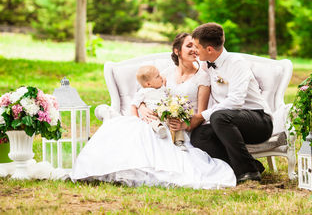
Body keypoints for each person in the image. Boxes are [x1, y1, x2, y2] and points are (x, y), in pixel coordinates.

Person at [69, 32, 236, 189]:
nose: (194, 49)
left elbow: (201, 114)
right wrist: (142, 109)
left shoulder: (203, 77)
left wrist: (183, 124)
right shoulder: (165, 74)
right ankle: (115, 168)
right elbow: (147, 93)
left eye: (195, 46)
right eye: (189, 46)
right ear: (177, 51)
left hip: (180, 127)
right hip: (156, 121)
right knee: (129, 128)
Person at [170, 23, 273, 184]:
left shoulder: (236, 63)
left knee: (218, 116)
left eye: (197, 47)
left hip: (258, 121)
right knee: (199, 136)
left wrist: (201, 116)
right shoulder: (206, 64)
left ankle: (248, 173)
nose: (195, 51)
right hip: (227, 122)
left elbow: (236, 101)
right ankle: (251, 166)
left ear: (209, 49)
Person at [131, 65, 187, 151]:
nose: (161, 77)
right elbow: (134, 105)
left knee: (175, 123)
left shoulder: (162, 88)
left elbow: (168, 94)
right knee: (152, 121)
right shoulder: (143, 92)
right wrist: (136, 119)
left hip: (165, 113)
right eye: (157, 76)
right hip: (152, 114)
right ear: (148, 84)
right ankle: (160, 129)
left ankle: (179, 141)